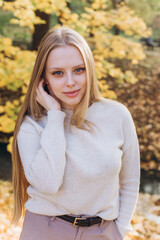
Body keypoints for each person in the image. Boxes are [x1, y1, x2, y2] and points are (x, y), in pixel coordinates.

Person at [11, 27, 140, 240]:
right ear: (44, 79)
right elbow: (48, 184)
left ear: (90, 69)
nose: (70, 81)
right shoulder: (32, 126)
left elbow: (130, 181)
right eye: (58, 73)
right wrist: (54, 114)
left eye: (78, 70)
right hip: (45, 231)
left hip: (103, 233)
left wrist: (120, 230)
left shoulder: (117, 115)